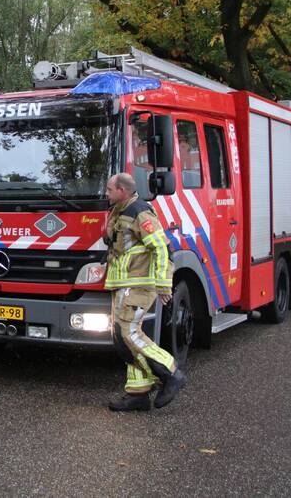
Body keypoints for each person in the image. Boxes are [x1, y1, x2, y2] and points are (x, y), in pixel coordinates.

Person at [102, 172, 187, 411]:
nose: (106, 193)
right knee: (121, 338)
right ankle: (138, 394)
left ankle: (171, 373)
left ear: (123, 191)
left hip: (139, 284)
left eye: (109, 189)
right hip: (123, 284)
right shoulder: (119, 210)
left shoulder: (140, 212)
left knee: (129, 333)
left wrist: (163, 286)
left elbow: (161, 248)